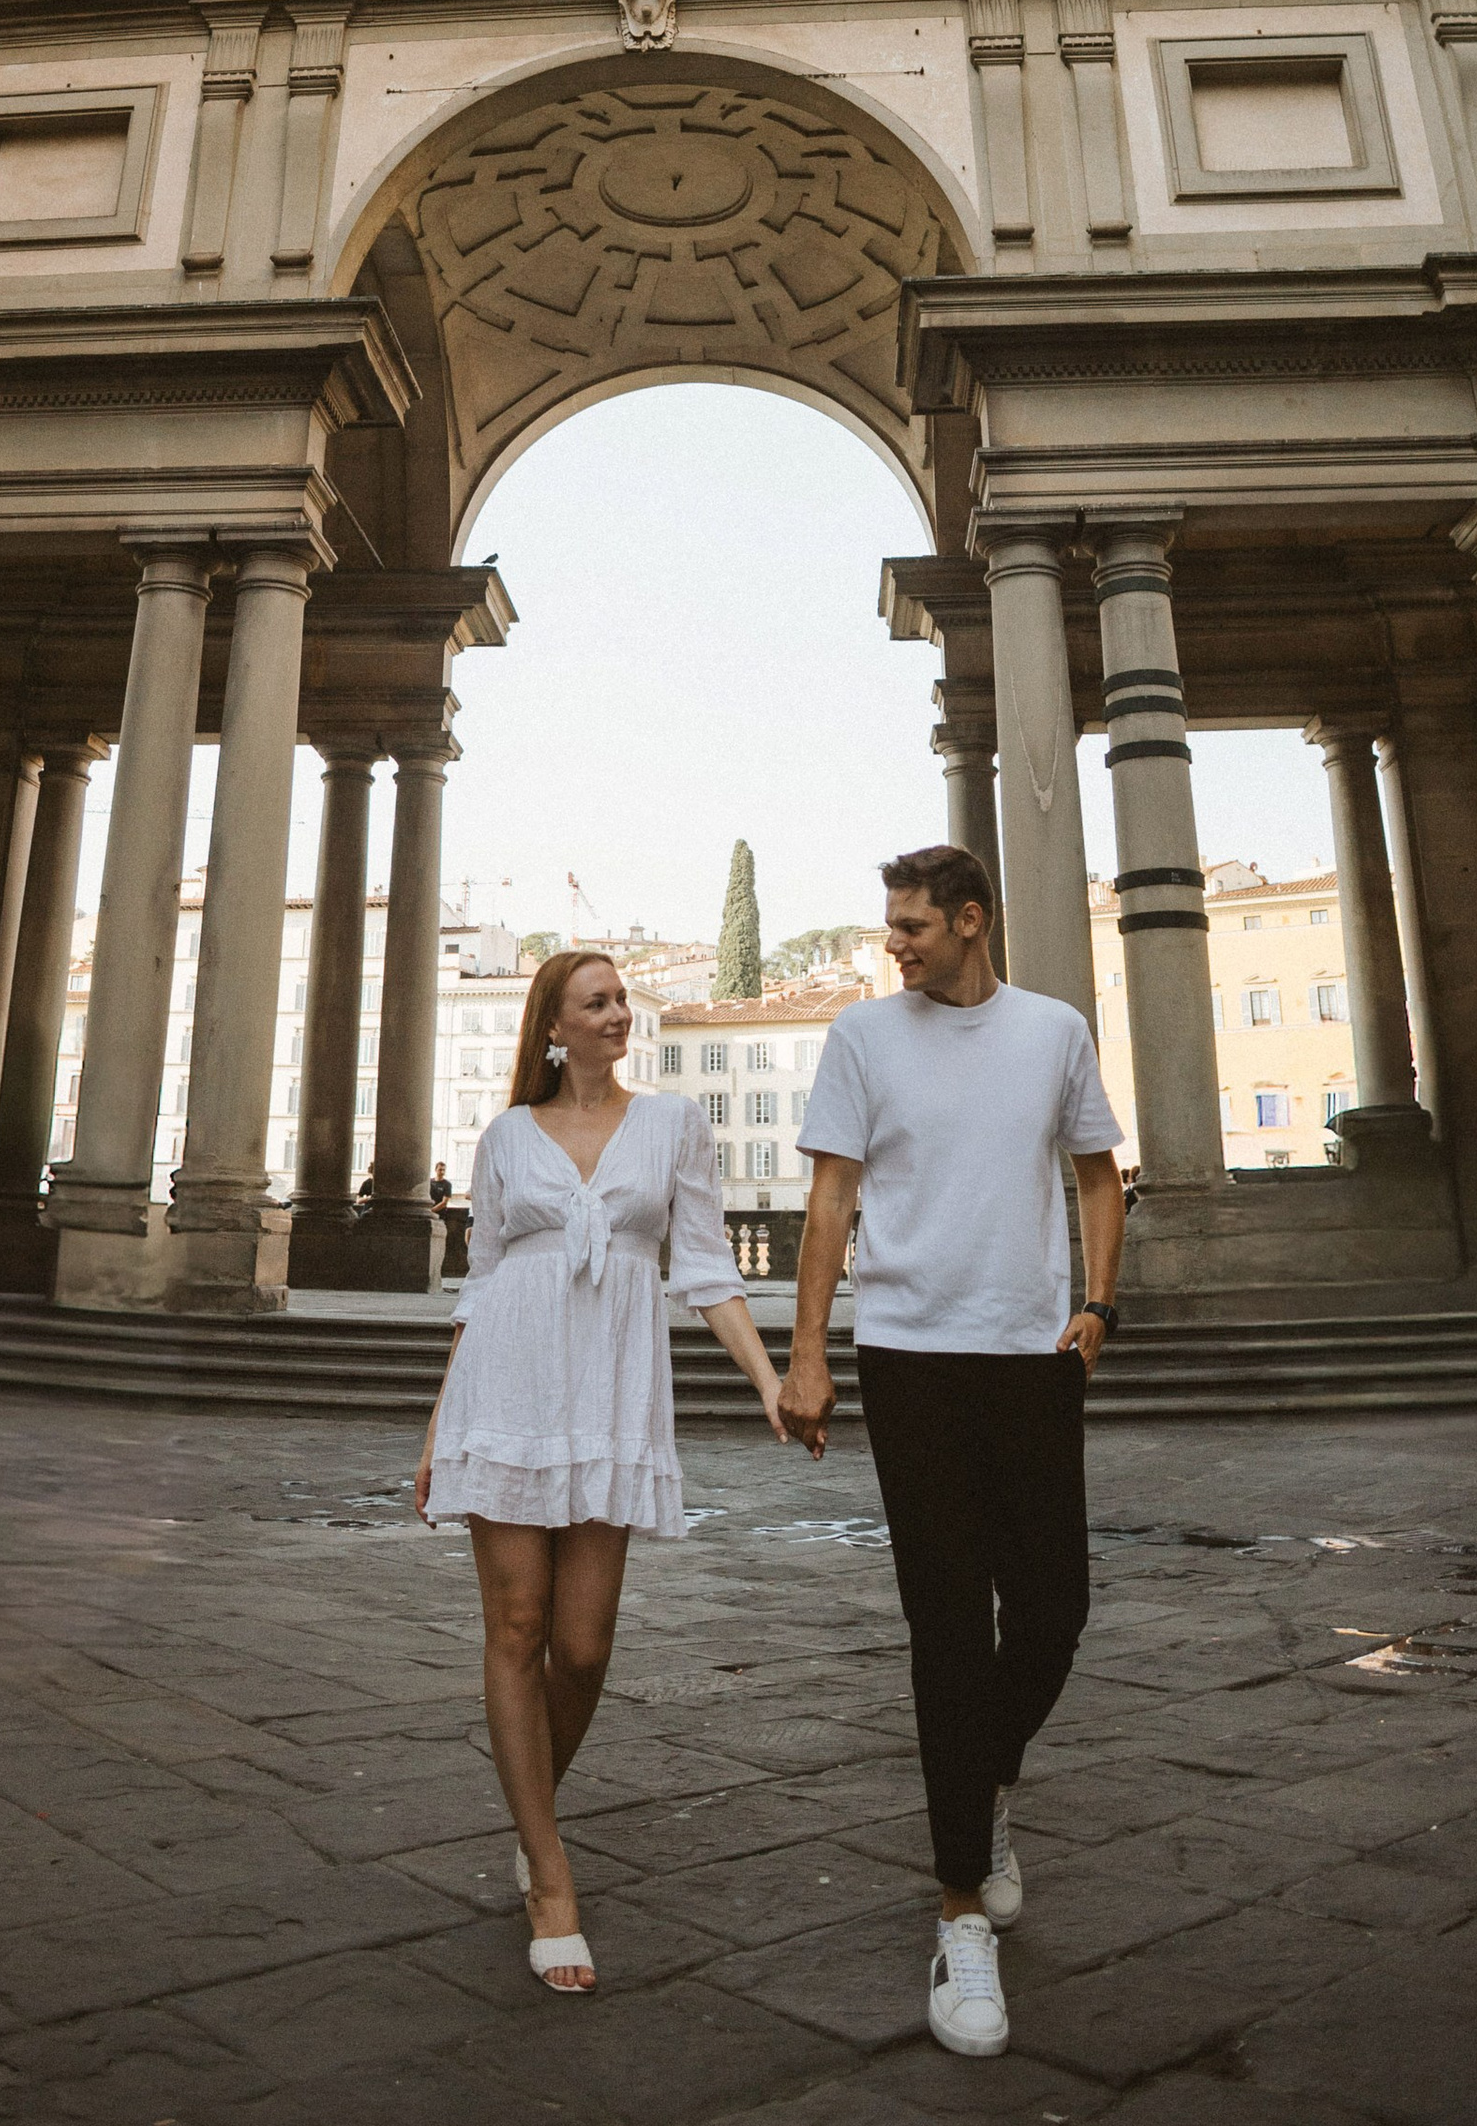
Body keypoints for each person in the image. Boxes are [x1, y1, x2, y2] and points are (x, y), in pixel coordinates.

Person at [780, 844, 1124, 2062]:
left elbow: (1097, 1172)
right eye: (891, 925)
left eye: (916, 925)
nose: (896, 943)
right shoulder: (865, 1039)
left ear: (973, 921)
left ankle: (980, 1787)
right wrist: (809, 1353)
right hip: (911, 1358)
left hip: (1031, 1358)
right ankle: (959, 1907)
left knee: (1053, 1613)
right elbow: (829, 1201)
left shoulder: (1052, 1031)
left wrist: (1098, 1304)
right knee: (945, 1625)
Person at [414, 947, 802, 1994]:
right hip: (507, 1390)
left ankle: (529, 1802)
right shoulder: (503, 1138)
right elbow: (482, 1283)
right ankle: (548, 1870)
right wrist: (440, 1427)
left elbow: (709, 1270)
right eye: (598, 1002)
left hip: (608, 1396)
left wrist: (769, 1380)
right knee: (516, 1627)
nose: (620, 1014)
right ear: (554, 1025)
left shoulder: (672, 1125)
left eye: (623, 998)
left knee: (582, 1649)